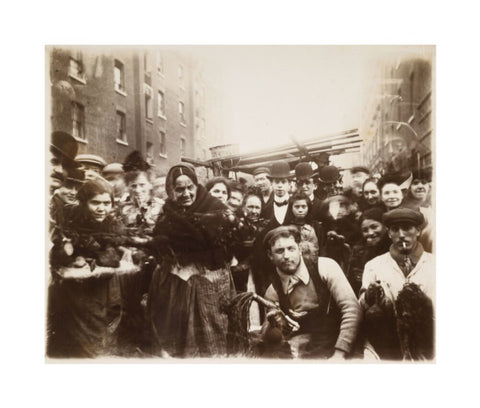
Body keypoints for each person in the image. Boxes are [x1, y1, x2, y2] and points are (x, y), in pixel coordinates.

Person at [148, 163, 237, 357]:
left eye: (190, 187)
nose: (186, 193)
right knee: (180, 336)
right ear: (171, 191)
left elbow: (230, 243)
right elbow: (159, 242)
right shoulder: (167, 212)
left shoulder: (215, 207)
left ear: (197, 186)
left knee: (212, 332)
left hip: (210, 285)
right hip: (177, 286)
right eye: (179, 189)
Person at [47, 179, 131, 358]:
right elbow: (58, 255)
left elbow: (113, 256)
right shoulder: (70, 224)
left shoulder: (113, 225)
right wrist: (70, 254)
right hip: (76, 293)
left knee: (106, 332)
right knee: (81, 341)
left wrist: (98, 256)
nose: (102, 208)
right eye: (95, 203)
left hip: (106, 288)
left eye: (106, 203)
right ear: (84, 202)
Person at [259, 226, 362, 359]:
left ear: (300, 249)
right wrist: (274, 327)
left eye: (291, 248)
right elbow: (271, 336)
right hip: (305, 349)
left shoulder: (325, 267)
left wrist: (339, 354)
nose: (286, 256)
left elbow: (352, 309)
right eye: (279, 251)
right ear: (270, 255)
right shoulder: (273, 291)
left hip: (340, 342)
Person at [359, 208, 435, 360]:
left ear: (418, 231)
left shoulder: (434, 263)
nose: (401, 235)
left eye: (407, 228)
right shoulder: (374, 265)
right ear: (389, 234)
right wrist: (369, 296)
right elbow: (361, 306)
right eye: (395, 230)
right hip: (386, 344)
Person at [346, 207, 390, 296]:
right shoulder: (359, 252)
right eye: (365, 230)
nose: (370, 233)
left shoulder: (394, 248)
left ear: (385, 226)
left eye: (374, 227)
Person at [263, 161, 293, 226]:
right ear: (271, 184)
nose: (280, 185)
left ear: (289, 184)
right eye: (276, 182)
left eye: (283, 182)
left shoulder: (296, 205)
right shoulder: (266, 209)